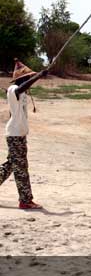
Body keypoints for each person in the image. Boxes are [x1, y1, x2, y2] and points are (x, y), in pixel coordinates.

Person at [0, 59, 48, 209]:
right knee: (21, 167)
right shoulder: (13, 89)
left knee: (11, 165)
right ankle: (25, 200)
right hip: (15, 135)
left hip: (18, 134)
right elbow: (21, 88)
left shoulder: (21, 92)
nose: (29, 80)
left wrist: (37, 76)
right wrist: (38, 76)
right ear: (22, 79)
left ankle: (25, 199)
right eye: (27, 77)